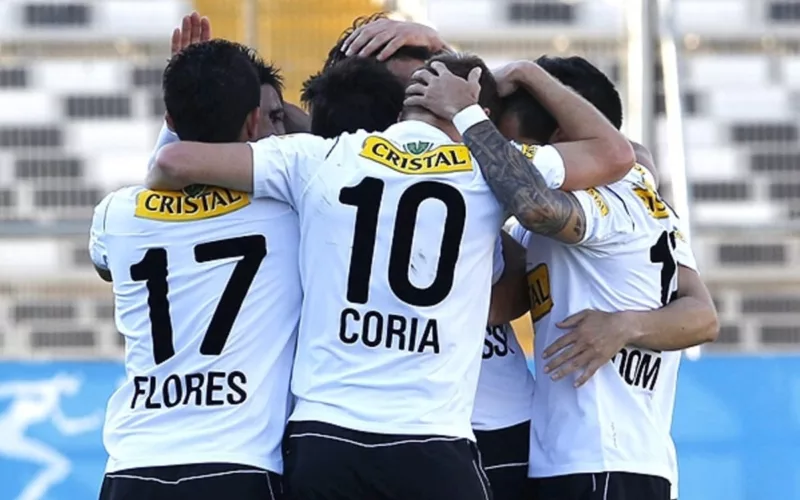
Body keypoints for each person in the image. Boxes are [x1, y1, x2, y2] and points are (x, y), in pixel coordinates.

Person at [145, 51, 632, 500]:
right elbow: (617, 155)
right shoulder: (485, 168)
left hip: (327, 440)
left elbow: (173, 162)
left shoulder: (320, 158)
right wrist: (522, 73)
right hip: (432, 444)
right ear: (473, 114)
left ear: (405, 106)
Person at [411, 58, 719, 500]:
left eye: (522, 148)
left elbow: (705, 319)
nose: (508, 163)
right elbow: (498, 305)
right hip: (612, 460)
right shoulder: (641, 193)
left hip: (600, 462)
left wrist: (623, 326)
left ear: (561, 141)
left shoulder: (602, 203)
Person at [90, 40, 299, 500]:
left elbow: (108, 263)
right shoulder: (291, 214)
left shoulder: (115, 215)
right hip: (238, 467)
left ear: (167, 122)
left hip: (134, 469)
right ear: (254, 121)